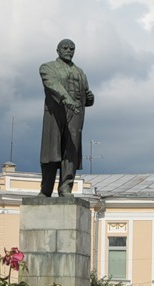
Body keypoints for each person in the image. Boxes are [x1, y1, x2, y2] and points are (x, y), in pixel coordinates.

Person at [38, 39, 94, 197]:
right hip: (55, 113)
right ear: (58, 50)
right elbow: (53, 85)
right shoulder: (47, 67)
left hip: (75, 113)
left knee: (71, 151)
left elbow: (85, 94)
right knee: (51, 152)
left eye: (72, 48)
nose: (69, 51)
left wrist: (89, 97)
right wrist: (67, 99)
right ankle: (45, 190)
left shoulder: (80, 72)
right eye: (65, 48)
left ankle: (65, 188)